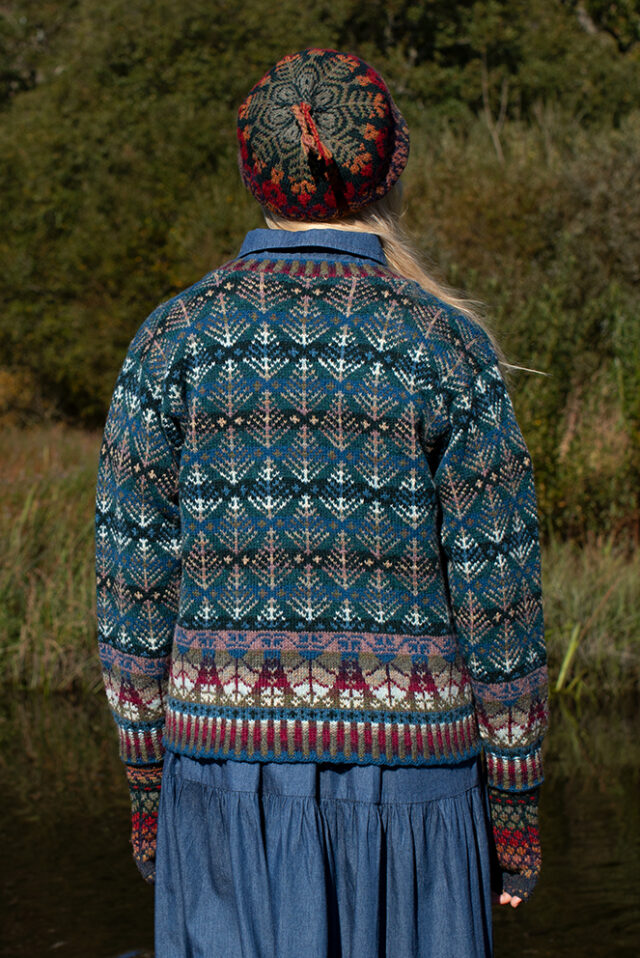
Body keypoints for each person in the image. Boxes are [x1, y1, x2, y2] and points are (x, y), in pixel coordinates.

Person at [96, 48, 548, 958]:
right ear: (392, 166)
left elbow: (131, 598)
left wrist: (150, 802)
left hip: (220, 788)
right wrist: (516, 824)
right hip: (417, 798)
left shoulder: (174, 337)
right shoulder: (446, 346)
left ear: (249, 170)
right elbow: (502, 606)